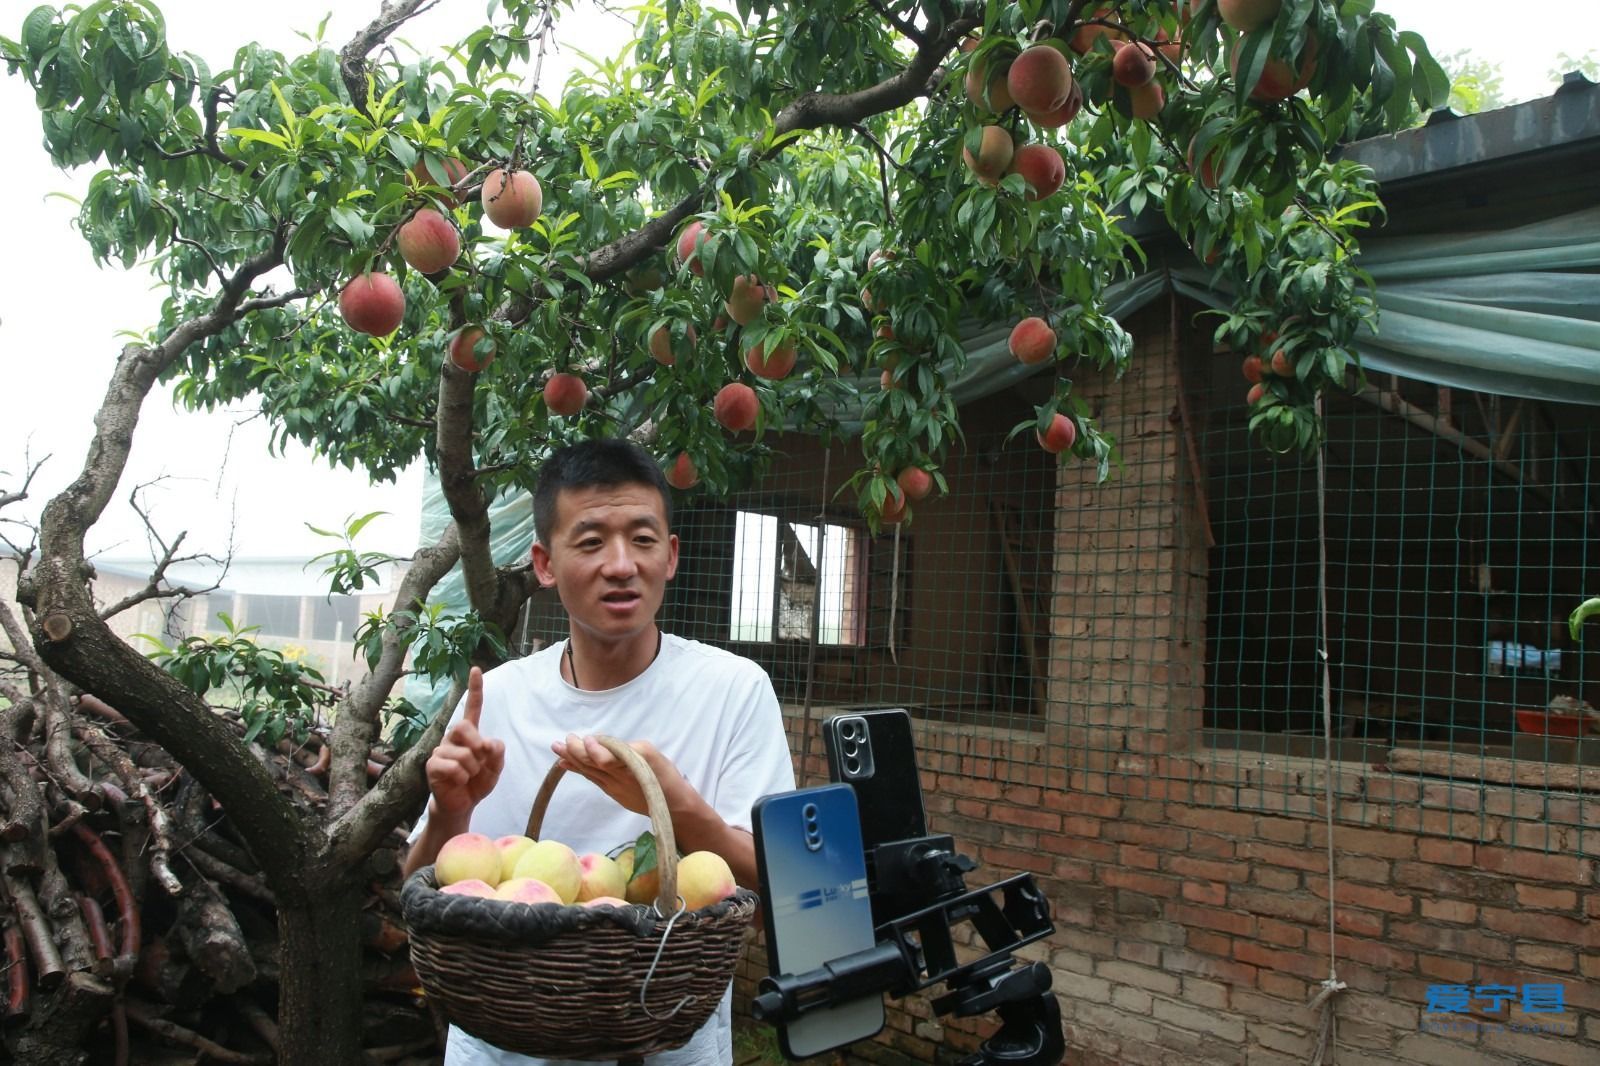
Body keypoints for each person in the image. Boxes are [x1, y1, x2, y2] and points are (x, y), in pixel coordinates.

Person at [403, 437, 796, 1066]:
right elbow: (421, 893)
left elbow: (780, 893)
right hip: (504, 1049)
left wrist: (675, 805)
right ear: (544, 564)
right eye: (590, 542)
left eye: (642, 539)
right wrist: (451, 811)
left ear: (670, 556)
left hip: (667, 1045)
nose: (621, 565)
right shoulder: (499, 698)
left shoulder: (733, 691)